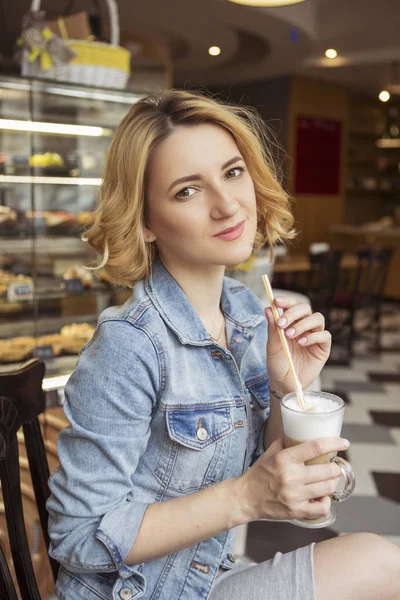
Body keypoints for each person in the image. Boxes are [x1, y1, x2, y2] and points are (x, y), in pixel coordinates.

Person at [47, 89, 400, 600]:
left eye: (232, 173)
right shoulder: (128, 346)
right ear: (145, 222)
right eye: (187, 191)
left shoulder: (245, 313)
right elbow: (76, 537)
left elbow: (287, 484)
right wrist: (243, 497)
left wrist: (285, 387)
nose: (228, 204)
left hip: (205, 579)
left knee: (381, 561)